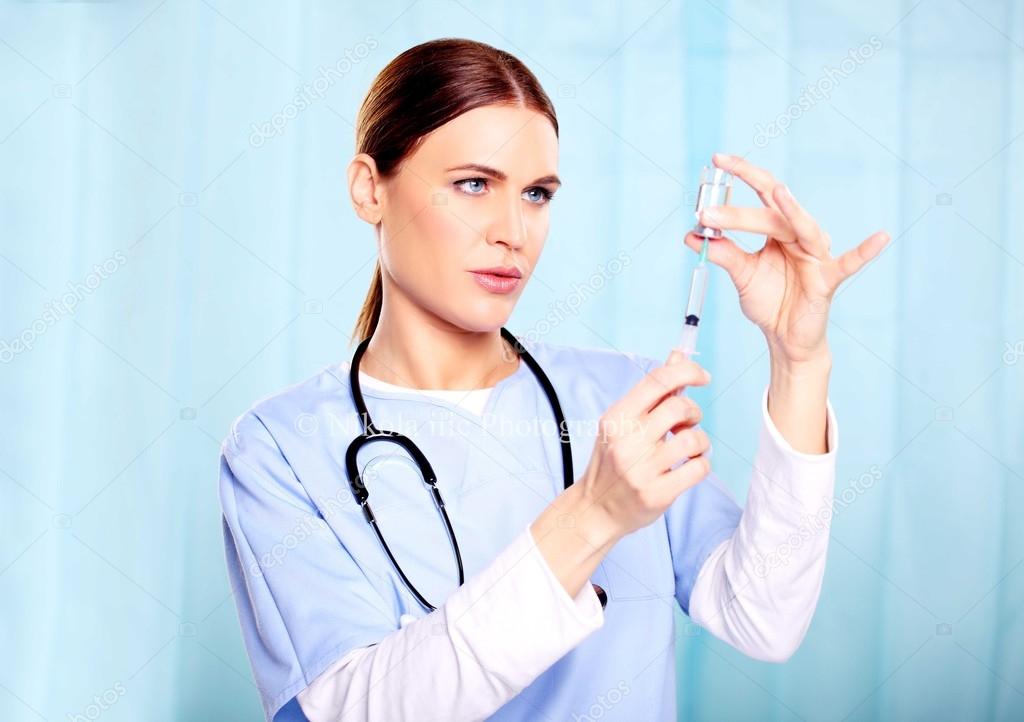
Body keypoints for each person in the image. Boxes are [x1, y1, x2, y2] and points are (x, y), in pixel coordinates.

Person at [217, 37, 889, 722]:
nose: (514, 231)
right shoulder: (281, 447)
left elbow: (762, 617)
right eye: (473, 184)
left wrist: (798, 361)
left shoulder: (619, 397)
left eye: (536, 194)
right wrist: (593, 514)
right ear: (369, 189)